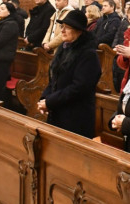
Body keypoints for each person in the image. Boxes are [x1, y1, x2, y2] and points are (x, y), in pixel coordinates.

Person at [37, 10, 101, 138]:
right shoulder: (64, 48)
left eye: (67, 27)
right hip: (58, 110)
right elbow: (54, 79)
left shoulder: (88, 54)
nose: (62, 31)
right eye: (62, 26)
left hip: (75, 116)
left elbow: (79, 87)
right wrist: (44, 99)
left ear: (79, 30)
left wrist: (50, 102)